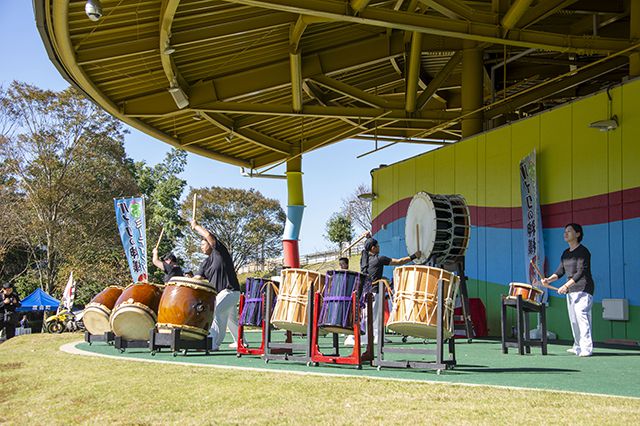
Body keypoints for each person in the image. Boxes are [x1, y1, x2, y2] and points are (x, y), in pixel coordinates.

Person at [345, 237, 421, 346]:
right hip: (374, 292)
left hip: (368, 292)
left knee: (375, 316)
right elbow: (399, 262)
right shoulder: (379, 259)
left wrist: (368, 237)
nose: (379, 247)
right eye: (378, 246)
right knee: (369, 316)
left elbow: (364, 251)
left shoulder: (364, 260)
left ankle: (377, 336)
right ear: (373, 248)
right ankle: (356, 337)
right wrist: (414, 256)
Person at [542, 223, 594, 357]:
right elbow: (560, 272)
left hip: (583, 288)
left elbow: (581, 272)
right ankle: (577, 346)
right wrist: (548, 280)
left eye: (569, 231)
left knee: (582, 316)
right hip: (571, 290)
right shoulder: (566, 253)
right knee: (574, 319)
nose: (565, 233)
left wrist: (566, 285)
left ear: (578, 234)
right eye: (565, 231)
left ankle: (586, 348)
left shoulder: (583, 251)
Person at [191, 219, 241, 351]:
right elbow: (197, 278)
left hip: (230, 291)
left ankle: (213, 344)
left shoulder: (220, 252)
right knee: (232, 320)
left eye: (203, 244)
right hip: (221, 294)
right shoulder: (205, 263)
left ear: (210, 244)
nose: (201, 247)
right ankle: (241, 342)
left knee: (215, 312)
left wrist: (196, 226)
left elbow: (208, 235)